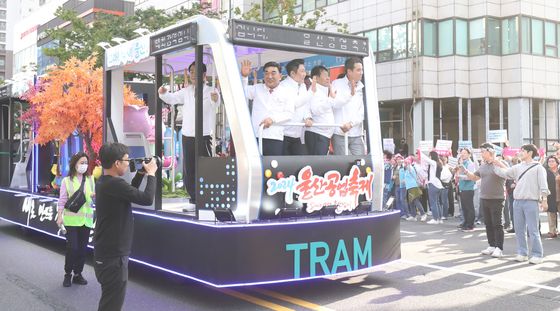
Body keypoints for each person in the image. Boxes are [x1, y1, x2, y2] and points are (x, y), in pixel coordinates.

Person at [93, 143, 157, 310]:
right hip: (113, 257)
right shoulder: (114, 184)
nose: (129, 164)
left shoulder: (105, 182)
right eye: (126, 160)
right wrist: (151, 174)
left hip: (106, 253)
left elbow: (128, 193)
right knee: (112, 305)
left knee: (109, 301)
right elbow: (146, 199)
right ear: (116, 163)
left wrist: (141, 174)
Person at [158, 62, 219, 206]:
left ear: (204, 75)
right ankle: (193, 198)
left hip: (204, 136)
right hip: (187, 135)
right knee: (189, 168)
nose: (193, 74)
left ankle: (206, 198)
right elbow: (171, 99)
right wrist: (162, 92)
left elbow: (215, 104)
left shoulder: (211, 90)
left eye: (196, 71)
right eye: (191, 71)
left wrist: (215, 99)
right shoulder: (186, 91)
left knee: (204, 167)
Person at [493, 144, 549, 264]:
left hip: (531, 201)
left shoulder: (538, 167)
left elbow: (544, 186)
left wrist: (544, 200)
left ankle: (537, 255)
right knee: (519, 230)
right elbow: (506, 173)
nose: (520, 153)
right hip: (517, 201)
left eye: (522, 151)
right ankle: (522, 253)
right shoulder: (518, 166)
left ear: (530, 153)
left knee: (533, 230)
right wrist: (495, 165)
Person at [461, 143, 507, 258]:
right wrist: (465, 171)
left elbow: (509, 173)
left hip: (497, 198)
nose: (481, 154)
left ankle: (499, 248)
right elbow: (474, 177)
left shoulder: (499, 162)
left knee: (497, 224)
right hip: (484, 197)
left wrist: (497, 162)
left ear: (490, 151)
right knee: (488, 224)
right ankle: (491, 245)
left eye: (483, 152)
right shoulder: (482, 166)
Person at [56, 152, 95, 287]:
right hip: (71, 221)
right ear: (74, 164)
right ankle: (68, 274)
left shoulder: (90, 179)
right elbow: (62, 201)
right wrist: (59, 216)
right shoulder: (66, 181)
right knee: (72, 248)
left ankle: (78, 274)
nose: (84, 165)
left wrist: (95, 196)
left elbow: (92, 199)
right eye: (81, 163)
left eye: (86, 163)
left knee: (82, 250)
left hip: (86, 220)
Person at [240, 60, 294, 155]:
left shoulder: (287, 92)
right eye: (266, 73)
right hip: (255, 136)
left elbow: (289, 114)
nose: (269, 76)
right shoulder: (257, 88)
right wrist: (244, 77)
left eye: (273, 73)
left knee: (272, 167)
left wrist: (272, 119)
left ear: (280, 76)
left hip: (275, 137)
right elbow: (242, 92)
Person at [331, 57, 365, 155]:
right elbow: (335, 104)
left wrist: (351, 123)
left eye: (361, 70)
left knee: (360, 165)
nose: (361, 72)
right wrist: (350, 94)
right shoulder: (336, 83)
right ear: (349, 71)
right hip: (340, 133)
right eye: (358, 70)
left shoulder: (362, 87)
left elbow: (362, 112)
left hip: (357, 134)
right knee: (344, 166)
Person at [281, 59, 313, 155]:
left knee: (299, 166)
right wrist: (311, 92)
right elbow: (294, 104)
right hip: (283, 135)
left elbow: (305, 105)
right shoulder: (283, 87)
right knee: (284, 166)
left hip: (297, 134)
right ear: (292, 73)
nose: (305, 73)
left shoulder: (302, 86)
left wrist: (308, 117)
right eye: (302, 71)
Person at [306, 65, 336, 155]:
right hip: (317, 134)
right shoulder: (314, 91)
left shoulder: (322, 92)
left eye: (328, 75)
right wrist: (330, 100)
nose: (328, 78)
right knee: (317, 165)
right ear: (316, 78)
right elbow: (316, 110)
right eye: (325, 75)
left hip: (323, 135)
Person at [401, 157, 427, 221]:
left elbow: (414, 176)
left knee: (416, 201)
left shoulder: (410, 168)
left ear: (409, 162)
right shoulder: (407, 169)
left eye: (406, 162)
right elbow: (408, 178)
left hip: (413, 187)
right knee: (411, 202)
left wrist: (406, 161)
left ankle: (423, 214)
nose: (404, 163)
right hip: (409, 187)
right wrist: (405, 180)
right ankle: (413, 215)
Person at [457, 148, 476, 231]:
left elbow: (471, 177)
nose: (462, 154)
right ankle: (465, 222)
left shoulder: (470, 164)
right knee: (464, 207)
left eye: (465, 153)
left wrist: (460, 176)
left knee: (469, 207)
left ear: (469, 154)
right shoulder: (462, 164)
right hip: (462, 188)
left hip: (468, 188)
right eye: (462, 153)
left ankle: (470, 224)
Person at [544, 156, 559, 238]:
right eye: (549, 161)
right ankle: (552, 231)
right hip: (550, 196)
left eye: (553, 161)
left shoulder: (559, 171)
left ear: (557, 162)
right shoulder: (546, 172)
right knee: (551, 214)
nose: (551, 163)